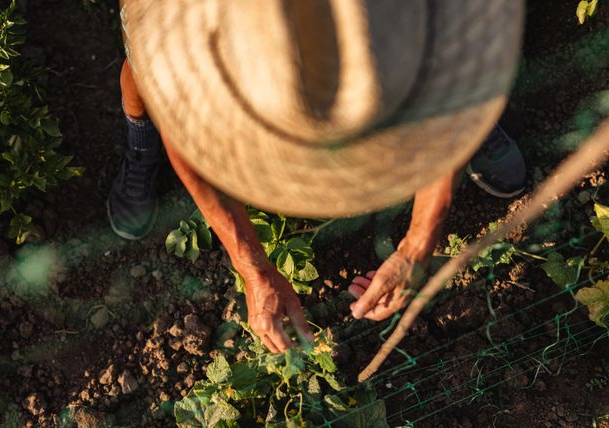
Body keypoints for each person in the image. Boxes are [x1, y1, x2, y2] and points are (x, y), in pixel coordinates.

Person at [108, 0, 525, 354]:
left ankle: (470, 123)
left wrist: (417, 248)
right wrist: (252, 268)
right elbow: (187, 141)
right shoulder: (191, 37)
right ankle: (142, 135)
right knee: (146, 82)